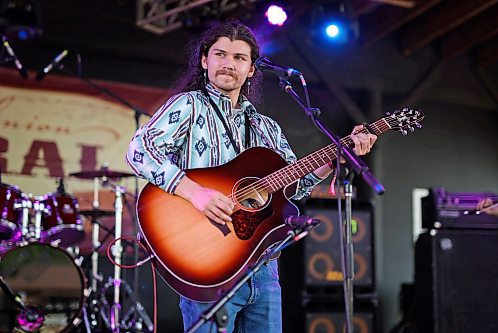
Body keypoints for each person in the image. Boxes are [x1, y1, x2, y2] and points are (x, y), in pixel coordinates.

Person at [126, 21, 377, 333]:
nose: (228, 64)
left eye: (239, 58)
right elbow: (139, 150)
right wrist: (194, 192)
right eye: (220, 54)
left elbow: (293, 188)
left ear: (252, 70)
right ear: (204, 61)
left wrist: (338, 155)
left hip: (263, 265)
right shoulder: (187, 105)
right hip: (208, 260)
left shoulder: (266, 128)